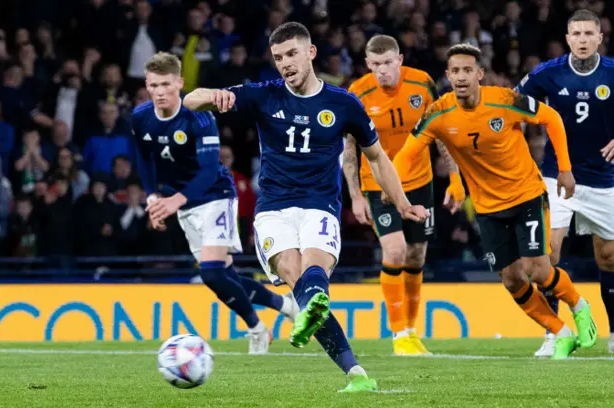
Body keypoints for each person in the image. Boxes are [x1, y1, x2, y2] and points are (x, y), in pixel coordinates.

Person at [184, 22, 428, 392]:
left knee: (314, 272)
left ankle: (348, 362)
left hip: (320, 205)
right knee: (299, 277)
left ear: (310, 53)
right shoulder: (263, 95)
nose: (285, 63)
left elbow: (377, 158)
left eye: (292, 54)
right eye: (278, 57)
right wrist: (211, 97)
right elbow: (189, 101)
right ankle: (351, 366)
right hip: (273, 208)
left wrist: (403, 203)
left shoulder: (344, 104)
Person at [396, 43, 597, 360]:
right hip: (488, 208)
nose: (461, 77)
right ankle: (561, 332)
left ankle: (579, 304)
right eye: (455, 71)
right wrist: (396, 195)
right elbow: (407, 155)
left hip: (527, 195)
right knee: (512, 279)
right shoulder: (438, 112)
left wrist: (565, 169)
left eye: (467, 71)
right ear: (448, 76)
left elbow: (552, 118)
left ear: (479, 74)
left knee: (538, 270)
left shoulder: (505, 99)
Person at [132, 52, 298, 355]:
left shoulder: (199, 117)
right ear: (147, 84)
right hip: (180, 203)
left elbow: (209, 171)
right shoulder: (140, 117)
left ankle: (257, 328)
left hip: (215, 196)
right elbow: (143, 159)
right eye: (153, 85)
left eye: (165, 84)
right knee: (225, 277)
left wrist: (172, 202)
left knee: (210, 272)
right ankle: (284, 305)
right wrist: (153, 197)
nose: (159, 92)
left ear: (179, 83)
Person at [343, 34, 465, 356]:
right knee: (395, 250)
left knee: (416, 255)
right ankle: (398, 335)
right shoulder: (357, 93)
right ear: (368, 65)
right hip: (378, 184)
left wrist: (454, 177)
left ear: (400, 59)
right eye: (376, 65)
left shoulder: (422, 83)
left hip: (419, 181)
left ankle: (411, 331)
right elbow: (350, 150)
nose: (383, 70)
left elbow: (440, 131)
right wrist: (355, 195)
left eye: (388, 63)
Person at [515, 8, 614, 356]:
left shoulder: (613, 73)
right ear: (568, 38)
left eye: (590, 34)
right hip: (556, 177)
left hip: (604, 178)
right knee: (548, 253)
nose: (584, 40)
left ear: (600, 37)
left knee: (609, 257)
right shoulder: (548, 74)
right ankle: (553, 333)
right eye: (577, 34)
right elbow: (513, 105)